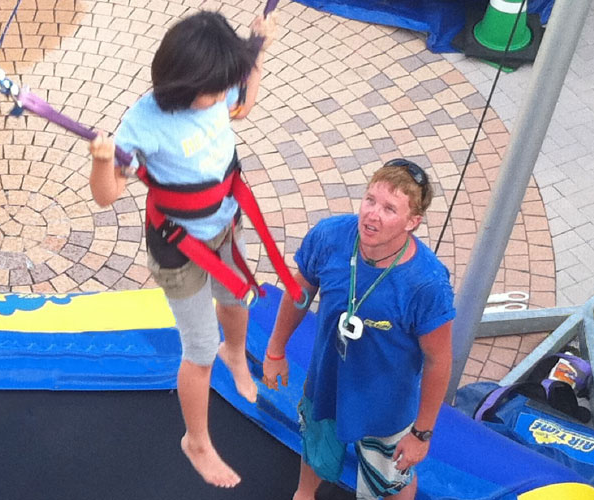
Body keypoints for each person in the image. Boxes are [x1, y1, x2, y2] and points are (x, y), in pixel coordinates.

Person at [87, 10, 276, 488]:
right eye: (215, 89)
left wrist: (257, 49)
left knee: (236, 299)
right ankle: (197, 441)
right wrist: (103, 161)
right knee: (200, 347)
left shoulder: (216, 88)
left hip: (225, 225)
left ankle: (237, 353)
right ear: (186, 85)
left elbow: (243, 102)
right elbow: (107, 195)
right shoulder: (143, 124)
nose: (222, 95)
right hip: (179, 248)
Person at [263, 159, 455, 499]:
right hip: (326, 383)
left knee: (393, 479)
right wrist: (275, 350)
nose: (372, 215)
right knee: (315, 447)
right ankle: (304, 495)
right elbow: (300, 291)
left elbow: (439, 360)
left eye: (389, 209)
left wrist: (421, 434)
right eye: (370, 200)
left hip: (386, 409)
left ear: (413, 221)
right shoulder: (330, 236)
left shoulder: (427, 284)